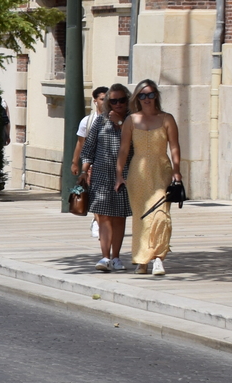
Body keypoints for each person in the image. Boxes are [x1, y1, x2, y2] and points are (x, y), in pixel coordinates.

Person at [117, 78, 183, 275]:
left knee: (161, 215)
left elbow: (175, 146)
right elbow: (123, 150)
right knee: (142, 217)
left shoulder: (167, 119)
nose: (147, 98)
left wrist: (177, 170)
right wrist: (119, 174)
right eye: (143, 95)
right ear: (137, 98)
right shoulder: (131, 120)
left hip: (161, 170)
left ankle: (158, 258)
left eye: (151, 94)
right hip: (137, 174)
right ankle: (142, 260)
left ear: (156, 96)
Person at [80, 83, 131, 271]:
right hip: (101, 174)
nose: (118, 104)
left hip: (124, 175)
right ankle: (105, 257)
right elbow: (88, 148)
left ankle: (116, 257)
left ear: (128, 100)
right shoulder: (101, 121)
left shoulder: (132, 120)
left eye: (122, 100)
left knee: (119, 216)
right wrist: (84, 170)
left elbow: (136, 144)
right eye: (114, 101)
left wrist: (120, 123)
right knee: (103, 216)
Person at [72, 87, 109, 242]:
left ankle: (102, 223)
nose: (105, 102)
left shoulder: (116, 120)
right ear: (95, 101)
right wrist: (75, 163)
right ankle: (98, 223)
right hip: (92, 165)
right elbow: (81, 143)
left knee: (107, 197)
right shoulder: (87, 121)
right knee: (96, 196)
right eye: (102, 99)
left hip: (110, 165)